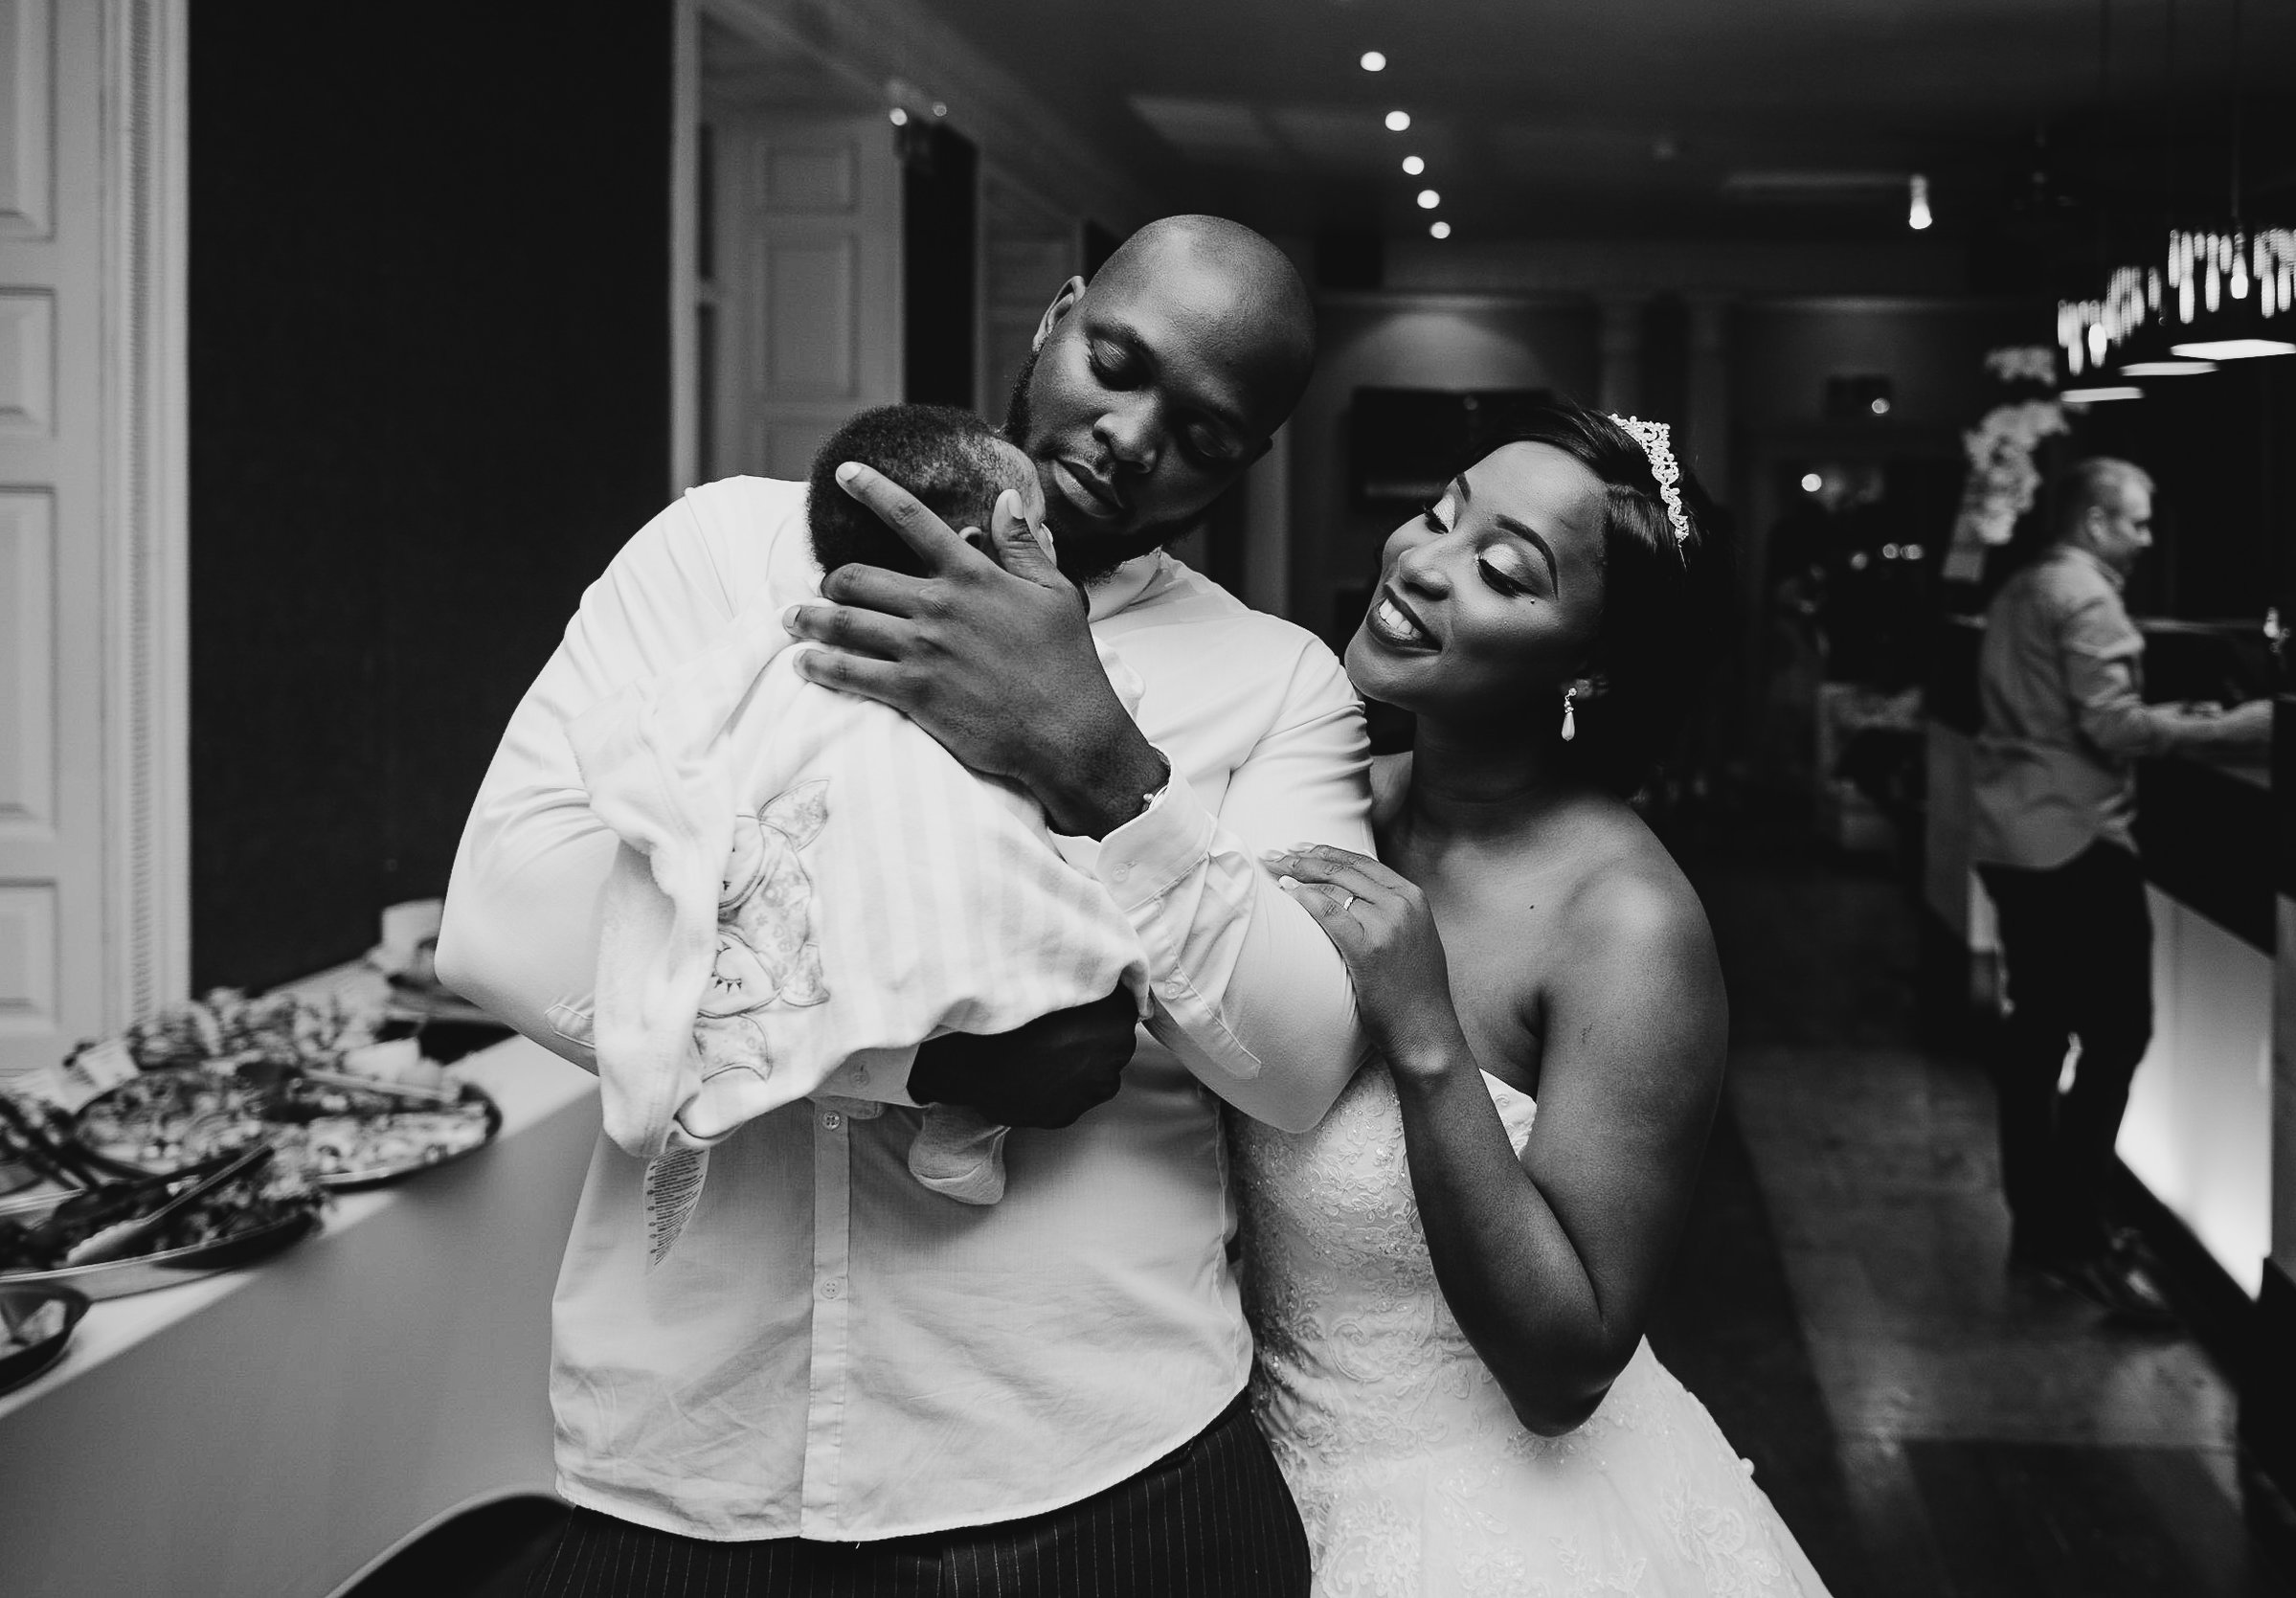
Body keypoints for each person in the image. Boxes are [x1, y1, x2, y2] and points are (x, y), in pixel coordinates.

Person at [439, 216, 1369, 1595]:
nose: (1128, 434)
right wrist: (915, 1059)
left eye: (1205, 431)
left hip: (1093, 1456)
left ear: (1248, 462)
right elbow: (505, 921)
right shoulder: (717, 553)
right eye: (1116, 361)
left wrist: (1099, 758)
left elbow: (1297, 1069)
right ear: (1057, 317)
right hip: (693, 1456)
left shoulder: (1276, 679)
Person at [1247, 403, 1833, 1596]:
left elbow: (1565, 1370)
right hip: (1249, 1487)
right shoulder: (1316, 792)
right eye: (1438, 512)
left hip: (1493, 1533)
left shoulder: (1626, 923)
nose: (1420, 561)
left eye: (1501, 569)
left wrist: (1424, 1035)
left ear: (1592, 663)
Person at [563, 404, 1147, 1227]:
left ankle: (908, 1082)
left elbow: (672, 718)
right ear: (982, 557)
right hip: (947, 933)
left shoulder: (771, 635)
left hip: (822, 932)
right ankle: (964, 1126)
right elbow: (1100, 728)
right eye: (1036, 535)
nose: (1051, 554)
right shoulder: (1046, 670)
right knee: (1096, 992)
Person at [1970, 457, 2270, 1323]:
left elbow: (2064, 712)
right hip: (2075, 840)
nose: (2145, 538)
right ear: (2096, 519)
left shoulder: (2024, 587)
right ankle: (2076, 1230)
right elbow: (2111, 725)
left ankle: (2043, 1220)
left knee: (2036, 1033)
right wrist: (2246, 727)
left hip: (2010, 832)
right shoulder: (2088, 596)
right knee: (2116, 1032)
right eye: (2136, 522)